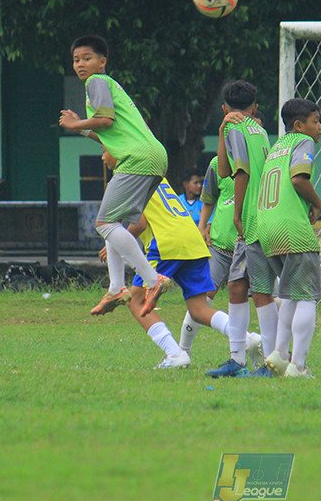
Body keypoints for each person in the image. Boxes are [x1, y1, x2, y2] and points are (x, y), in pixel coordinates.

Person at [97, 149, 261, 369]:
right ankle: (248, 339)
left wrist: (118, 239)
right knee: (199, 310)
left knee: (136, 301)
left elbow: (141, 223)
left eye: (105, 150)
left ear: (120, 152)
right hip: (191, 239)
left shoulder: (127, 177)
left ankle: (175, 354)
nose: (103, 157)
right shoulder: (154, 173)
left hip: (167, 242)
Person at [58, 34, 172, 317]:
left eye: (87, 58)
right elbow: (107, 133)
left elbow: (105, 120)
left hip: (137, 158)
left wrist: (74, 125)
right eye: (76, 60)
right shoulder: (106, 86)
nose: (80, 64)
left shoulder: (96, 82)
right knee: (114, 221)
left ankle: (152, 279)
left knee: (104, 223)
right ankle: (116, 287)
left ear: (102, 62)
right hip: (153, 156)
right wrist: (82, 127)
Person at [205, 80, 278, 379]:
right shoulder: (258, 129)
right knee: (236, 287)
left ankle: (272, 362)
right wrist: (221, 131)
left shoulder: (236, 128)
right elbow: (225, 170)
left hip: (251, 219)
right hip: (259, 215)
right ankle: (237, 360)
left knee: (261, 292)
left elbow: (241, 170)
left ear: (225, 109)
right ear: (255, 108)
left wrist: (237, 213)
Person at [259, 99, 321, 378]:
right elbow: (299, 179)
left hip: (267, 229)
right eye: (316, 121)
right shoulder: (303, 141)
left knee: (290, 296)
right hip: (291, 229)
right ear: (299, 125)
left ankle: (278, 353)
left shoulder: (277, 147)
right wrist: (317, 203)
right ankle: (298, 365)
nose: (320, 127)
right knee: (307, 296)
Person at [177, 154, 235, 357]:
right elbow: (209, 199)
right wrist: (202, 227)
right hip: (218, 247)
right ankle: (182, 351)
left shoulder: (259, 157)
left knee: (261, 297)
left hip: (250, 244)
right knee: (202, 299)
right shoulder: (216, 164)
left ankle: (266, 349)